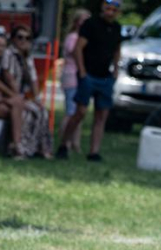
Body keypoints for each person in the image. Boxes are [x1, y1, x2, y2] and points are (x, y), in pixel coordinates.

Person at [57, 0, 122, 162]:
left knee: (101, 114)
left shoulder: (117, 28)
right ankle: (64, 144)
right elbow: (78, 48)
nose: (110, 12)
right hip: (89, 75)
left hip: (105, 77)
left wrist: (116, 70)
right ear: (102, 7)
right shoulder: (91, 24)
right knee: (80, 112)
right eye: (108, 7)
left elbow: (117, 50)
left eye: (114, 9)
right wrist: (82, 71)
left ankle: (94, 151)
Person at [1, 26, 53, 159]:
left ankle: (41, 148)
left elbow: (33, 79)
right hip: (9, 94)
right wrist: (19, 96)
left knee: (42, 111)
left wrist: (37, 98)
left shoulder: (27, 57)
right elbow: (8, 76)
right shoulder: (8, 54)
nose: (23, 41)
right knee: (29, 113)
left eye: (27, 38)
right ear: (13, 39)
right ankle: (21, 148)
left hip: (22, 96)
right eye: (20, 37)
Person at [61, 8, 91, 154]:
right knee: (71, 112)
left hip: (79, 77)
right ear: (76, 22)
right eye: (83, 20)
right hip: (71, 76)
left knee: (78, 113)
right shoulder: (73, 37)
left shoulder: (82, 38)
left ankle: (75, 144)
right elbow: (75, 52)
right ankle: (65, 142)